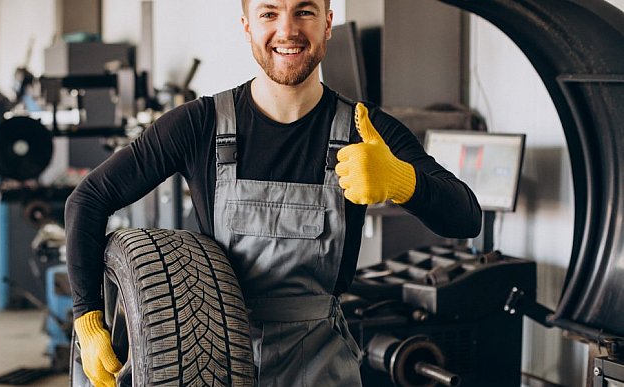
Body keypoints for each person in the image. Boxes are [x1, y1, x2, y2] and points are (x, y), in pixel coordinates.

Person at [65, 0, 482, 385]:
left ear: (328, 23)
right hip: (209, 362)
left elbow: (466, 217)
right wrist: (88, 318)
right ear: (247, 26)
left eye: (304, 11)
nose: (288, 30)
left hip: (321, 366)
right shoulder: (199, 124)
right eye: (269, 13)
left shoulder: (365, 129)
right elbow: (87, 199)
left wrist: (402, 181)